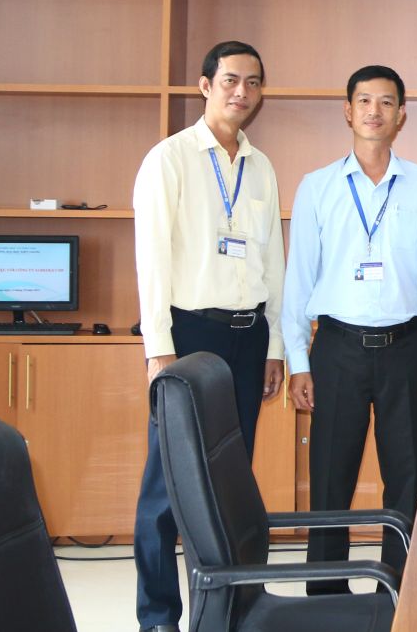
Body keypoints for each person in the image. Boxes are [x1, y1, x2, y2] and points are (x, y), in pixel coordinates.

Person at [132, 40, 285, 632]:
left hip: (248, 337)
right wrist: (159, 349)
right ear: (205, 86)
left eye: (253, 82)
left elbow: (272, 261)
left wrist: (274, 346)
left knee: (229, 482)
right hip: (190, 336)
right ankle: (157, 616)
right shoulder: (169, 159)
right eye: (230, 80)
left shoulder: (260, 165)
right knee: (167, 483)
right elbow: (151, 262)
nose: (242, 92)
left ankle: (227, 604)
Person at [281, 65, 417, 591]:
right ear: (348, 111)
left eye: (387, 102)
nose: (375, 111)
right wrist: (298, 361)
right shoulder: (317, 187)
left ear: (402, 116)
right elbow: (298, 280)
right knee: (331, 476)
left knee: (406, 478)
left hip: (407, 347)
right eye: (365, 101)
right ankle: (326, 591)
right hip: (337, 347)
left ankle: (397, 589)